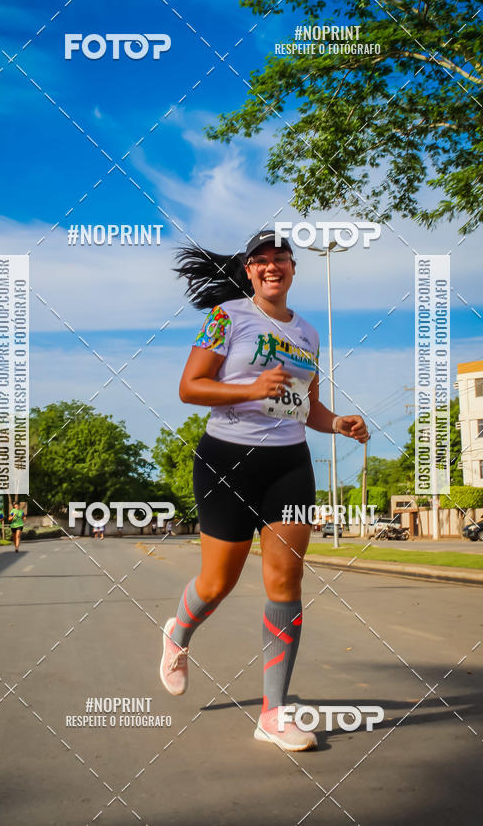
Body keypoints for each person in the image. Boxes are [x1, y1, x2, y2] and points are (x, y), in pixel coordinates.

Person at [159, 229, 369, 752]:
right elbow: (190, 387)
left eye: (281, 258)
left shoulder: (307, 333)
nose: (272, 266)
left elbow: (307, 404)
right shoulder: (225, 317)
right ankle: (178, 632)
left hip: (289, 466)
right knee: (217, 582)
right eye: (262, 260)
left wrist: (337, 422)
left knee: (285, 580)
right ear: (249, 270)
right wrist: (250, 388)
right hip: (227, 461)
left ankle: (273, 714)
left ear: (293, 268)